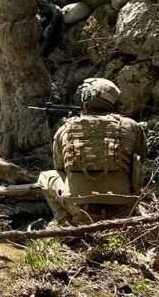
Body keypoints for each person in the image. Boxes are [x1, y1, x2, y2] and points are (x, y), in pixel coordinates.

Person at [38, 78, 147, 225]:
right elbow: (142, 159)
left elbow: (60, 167)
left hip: (83, 211)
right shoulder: (132, 126)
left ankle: (66, 224)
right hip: (124, 209)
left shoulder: (65, 129)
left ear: (85, 102)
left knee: (45, 177)